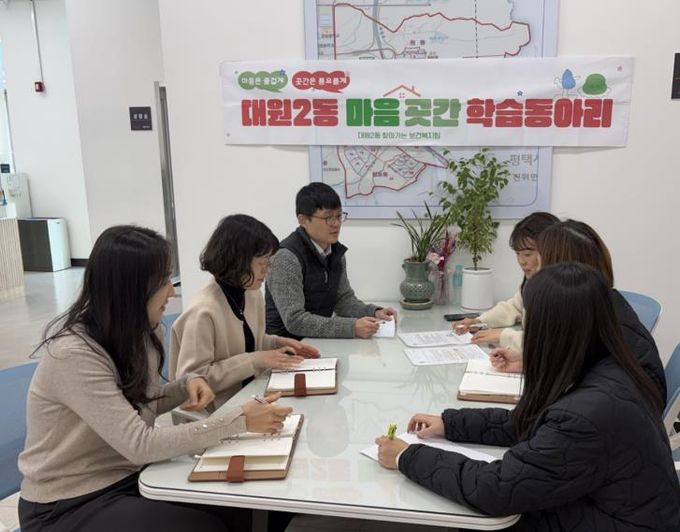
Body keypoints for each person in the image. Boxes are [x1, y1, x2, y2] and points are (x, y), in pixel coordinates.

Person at [18, 225, 291, 532]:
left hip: (129, 476)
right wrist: (239, 421)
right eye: (163, 281)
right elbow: (140, 444)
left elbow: (143, 403)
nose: (172, 291)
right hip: (68, 502)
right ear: (130, 288)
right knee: (203, 527)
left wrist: (185, 385)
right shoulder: (74, 355)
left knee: (244, 507)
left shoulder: (144, 332)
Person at [376, 263, 680, 531]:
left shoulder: (586, 414)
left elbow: (496, 488)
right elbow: (537, 423)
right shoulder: (606, 364)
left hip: (620, 521)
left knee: (482, 519)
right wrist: (451, 423)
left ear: (553, 330)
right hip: (622, 512)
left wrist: (407, 456)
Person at [489, 219, 667, 401]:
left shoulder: (602, 333)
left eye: (541, 266)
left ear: (568, 273)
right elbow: (574, 367)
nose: (538, 276)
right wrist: (528, 364)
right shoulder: (600, 310)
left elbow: (576, 400)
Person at [171, 214, 320, 409]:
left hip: (250, 396)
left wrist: (276, 343)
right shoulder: (202, 312)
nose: (266, 271)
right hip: (216, 412)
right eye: (261, 264)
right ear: (238, 261)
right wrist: (255, 360)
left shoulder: (251, 293)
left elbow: (246, 342)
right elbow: (191, 380)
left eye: (268, 263)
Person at [266, 182, 396, 339]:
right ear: (303, 220)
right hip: (287, 346)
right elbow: (295, 320)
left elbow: (343, 300)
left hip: (320, 341)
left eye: (339, 216)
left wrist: (374, 312)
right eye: (328, 217)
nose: (336, 224)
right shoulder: (286, 257)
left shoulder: (335, 251)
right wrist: (351, 327)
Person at [452, 212, 558, 351]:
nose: (521, 261)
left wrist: (503, 336)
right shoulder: (533, 282)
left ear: (550, 250)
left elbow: (549, 343)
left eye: (527, 254)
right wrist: (480, 321)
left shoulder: (562, 290)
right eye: (517, 254)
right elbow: (514, 306)